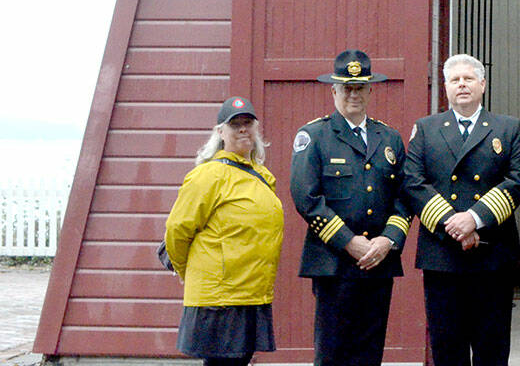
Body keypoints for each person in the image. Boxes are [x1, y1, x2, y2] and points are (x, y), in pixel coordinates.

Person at [402, 53, 520, 366]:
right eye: (454, 80)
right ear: (445, 87)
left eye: (468, 79)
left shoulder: (509, 129)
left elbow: (517, 182)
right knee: (447, 348)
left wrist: (474, 219)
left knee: (492, 347)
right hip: (442, 257)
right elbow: (413, 183)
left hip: (492, 256)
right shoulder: (426, 129)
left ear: (482, 84)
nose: (462, 85)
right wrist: (454, 224)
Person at [290, 50, 412, 366]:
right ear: (334, 91)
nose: (353, 94)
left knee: (369, 353)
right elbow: (306, 198)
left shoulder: (390, 138)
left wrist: (388, 240)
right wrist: (349, 242)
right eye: (346, 87)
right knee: (333, 354)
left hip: (379, 262)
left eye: (360, 88)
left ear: (371, 90)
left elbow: (404, 197)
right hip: (335, 264)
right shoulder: (314, 135)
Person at [165, 96, 283, 366]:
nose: (243, 129)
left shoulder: (261, 175)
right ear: (220, 132)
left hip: (251, 292)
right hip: (220, 299)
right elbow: (177, 230)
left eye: (248, 123)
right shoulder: (208, 175)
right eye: (235, 125)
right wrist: (186, 271)